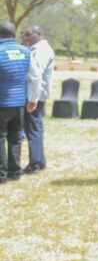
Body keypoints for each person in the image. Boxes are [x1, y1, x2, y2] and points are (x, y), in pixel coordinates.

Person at [0, 22, 37, 183]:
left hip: (2, 103)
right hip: (19, 103)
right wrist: (33, 99)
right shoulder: (25, 51)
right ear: (14, 34)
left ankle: (1, 174)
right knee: (15, 138)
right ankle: (15, 172)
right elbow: (35, 77)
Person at [21, 25, 55, 174]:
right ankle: (39, 162)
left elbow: (36, 74)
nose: (25, 38)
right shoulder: (36, 48)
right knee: (36, 128)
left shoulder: (41, 50)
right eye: (23, 35)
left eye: (29, 34)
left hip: (35, 95)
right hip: (36, 94)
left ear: (39, 34)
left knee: (33, 129)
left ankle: (35, 164)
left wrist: (32, 98)